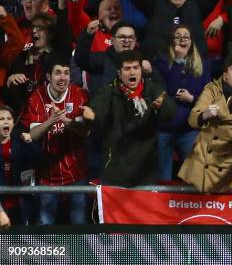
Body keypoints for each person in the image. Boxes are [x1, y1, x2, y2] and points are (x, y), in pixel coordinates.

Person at [81, 50, 176, 186]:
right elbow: (98, 106)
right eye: (127, 68)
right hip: (116, 168)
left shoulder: (152, 89)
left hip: (146, 169)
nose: (132, 72)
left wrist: (163, 106)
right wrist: (92, 113)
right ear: (119, 73)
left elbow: (171, 111)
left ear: (141, 71)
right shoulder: (108, 91)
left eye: (135, 68)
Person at [178, 54, 232, 193]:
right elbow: (193, 119)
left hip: (227, 165)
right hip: (202, 162)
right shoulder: (212, 89)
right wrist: (205, 114)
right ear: (225, 76)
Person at [20, 56, 89, 224]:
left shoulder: (79, 95)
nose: (63, 77)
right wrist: (51, 120)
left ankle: (79, 250)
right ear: (48, 77)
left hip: (75, 170)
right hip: (47, 173)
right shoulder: (37, 97)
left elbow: (84, 131)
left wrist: (66, 121)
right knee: (45, 223)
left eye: (66, 73)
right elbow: (34, 134)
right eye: (58, 73)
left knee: (79, 222)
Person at [153, 25, 209, 181]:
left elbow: (209, 96)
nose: (182, 40)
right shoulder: (162, 62)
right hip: (165, 128)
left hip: (189, 129)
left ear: (191, 41)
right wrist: (178, 61)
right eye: (178, 36)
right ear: (171, 41)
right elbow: (169, 88)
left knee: (192, 178)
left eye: (186, 36)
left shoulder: (202, 65)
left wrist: (192, 98)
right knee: (163, 178)